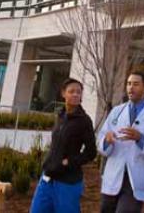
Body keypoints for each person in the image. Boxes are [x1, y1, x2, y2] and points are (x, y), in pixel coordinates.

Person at [98, 71, 144, 212]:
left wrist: (140, 139)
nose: (130, 88)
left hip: (136, 180)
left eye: (136, 84)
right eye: (128, 84)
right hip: (113, 176)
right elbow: (101, 141)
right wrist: (106, 141)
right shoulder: (117, 111)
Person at [30, 77, 97, 213]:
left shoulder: (84, 121)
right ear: (63, 93)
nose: (75, 94)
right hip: (48, 178)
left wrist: (69, 162)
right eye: (71, 91)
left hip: (68, 182)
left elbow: (91, 152)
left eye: (78, 92)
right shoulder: (60, 115)